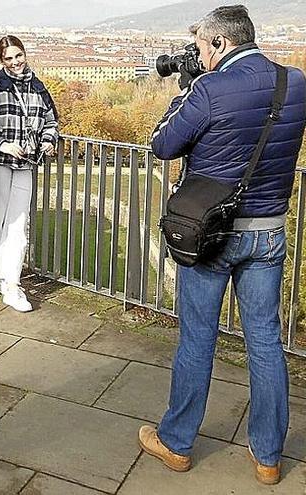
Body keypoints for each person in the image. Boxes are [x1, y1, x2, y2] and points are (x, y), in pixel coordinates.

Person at [139, 5, 306, 485]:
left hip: (212, 235)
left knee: (197, 338)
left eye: (202, 48)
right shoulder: (293, 82)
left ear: (220, 44)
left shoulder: (209, 89)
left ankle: (176, 444)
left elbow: (163, 145)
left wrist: (186, 93)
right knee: (265, 342)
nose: (200, 56)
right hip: (269, 230)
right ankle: (269, 457)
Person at [0, 35, 58, 312]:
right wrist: (3, 144)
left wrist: (48, 140)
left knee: (19, 226)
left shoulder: (38, 86)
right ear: (1, 61)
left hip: (27, 163)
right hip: (0, 162)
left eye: (18, 56)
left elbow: (51, 119)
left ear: (25, 54)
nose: (15, 63)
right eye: (8, 58)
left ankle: (11, 282)